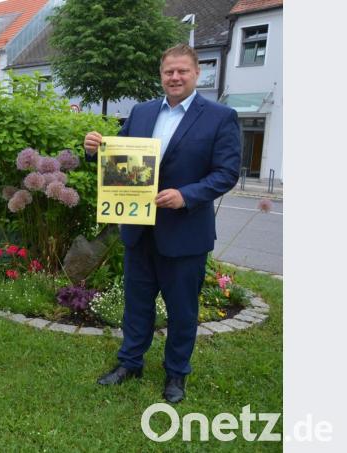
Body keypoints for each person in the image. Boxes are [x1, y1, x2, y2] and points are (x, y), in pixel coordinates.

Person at [84, 44, 240, 403]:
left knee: (182, 309)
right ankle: (130, 363)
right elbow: (118, 161)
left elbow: (227, 173)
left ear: (197, 73)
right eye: (169, 71)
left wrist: (186, 195)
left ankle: (176, 375)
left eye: (182, 71)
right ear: (161, 74)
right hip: (139, 229)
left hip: (185, 232)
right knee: (136, 303)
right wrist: (95, 149)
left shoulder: (220, 116)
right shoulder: (141, 112)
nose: (175, 77)